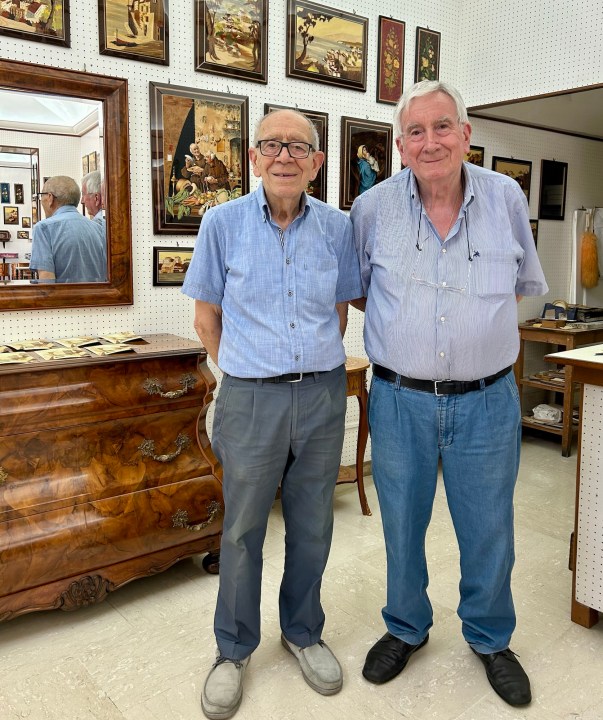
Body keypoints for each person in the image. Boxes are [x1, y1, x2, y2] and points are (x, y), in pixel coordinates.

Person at [350, 80, 548, 708]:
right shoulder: (373, 208)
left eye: (442, 127)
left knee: (488, 527)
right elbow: (360, 291)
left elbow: (521, 287)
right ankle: (405, 626)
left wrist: (473, 342)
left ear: (466, 135)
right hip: (400, 399)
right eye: (415, 131)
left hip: (487, 401)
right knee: (402, 526)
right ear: (399, 144)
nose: (429, 141)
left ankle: (490, 637)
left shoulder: (506, 198)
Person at [182, 108, 362, 720]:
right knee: (242, 530)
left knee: (313, 524)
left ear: (317, 162)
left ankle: (304, 632)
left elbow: (338, 313)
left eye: (299, 147)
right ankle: (232, 649)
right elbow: (206, 317)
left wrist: (306, 367)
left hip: (320, 394)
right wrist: (245, 367)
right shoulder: (221, 223)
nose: (285, 156)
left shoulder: (338, 229)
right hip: (250, 396)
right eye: (272, 145)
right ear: (255, 158)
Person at [30, 175, 107, 282]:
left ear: (50, 198)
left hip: (64, 298)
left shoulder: (43, 229)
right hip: (100, 297)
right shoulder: (100, 228)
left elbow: (47, 280)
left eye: (41, 196)